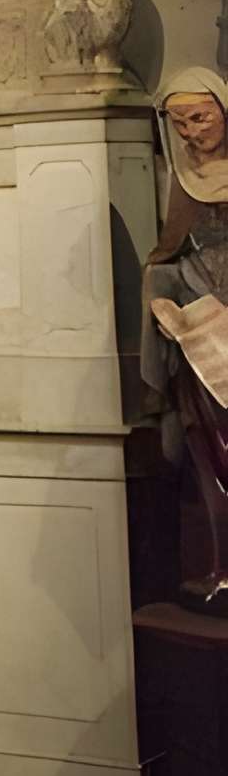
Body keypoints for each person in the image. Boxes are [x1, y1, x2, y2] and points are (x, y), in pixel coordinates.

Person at [143, 69, 228, 603]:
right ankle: (222, 567)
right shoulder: (181, 182)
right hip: (203, 341)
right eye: (180, 125)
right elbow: (169, 259)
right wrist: (161, 292)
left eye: (201, 117)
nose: (193, 132)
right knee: (212, 460)